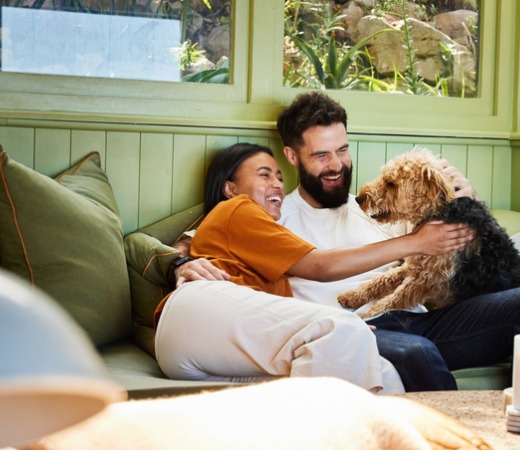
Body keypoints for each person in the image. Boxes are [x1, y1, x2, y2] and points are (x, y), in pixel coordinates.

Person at [272, 91, 520, 391]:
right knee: (418, 352)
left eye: (343, 150)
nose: (336, 164)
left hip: (424, 323)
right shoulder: (277, 218)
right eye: (321, 155)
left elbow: (465, 254)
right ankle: (456, 439)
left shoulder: (382, 209)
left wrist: (464, 201)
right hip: (358, 329)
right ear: (292, 156)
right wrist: (417, 242)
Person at [154, 143, 472, 394]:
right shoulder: (238, 209)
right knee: (344, 329)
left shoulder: (258, 239)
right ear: (230, 189)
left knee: (384, 375)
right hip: (199, 316)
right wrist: (178, 263)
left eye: (279, 177)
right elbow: (319, 266)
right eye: (264, 175)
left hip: (206, 352)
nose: (277, 185)